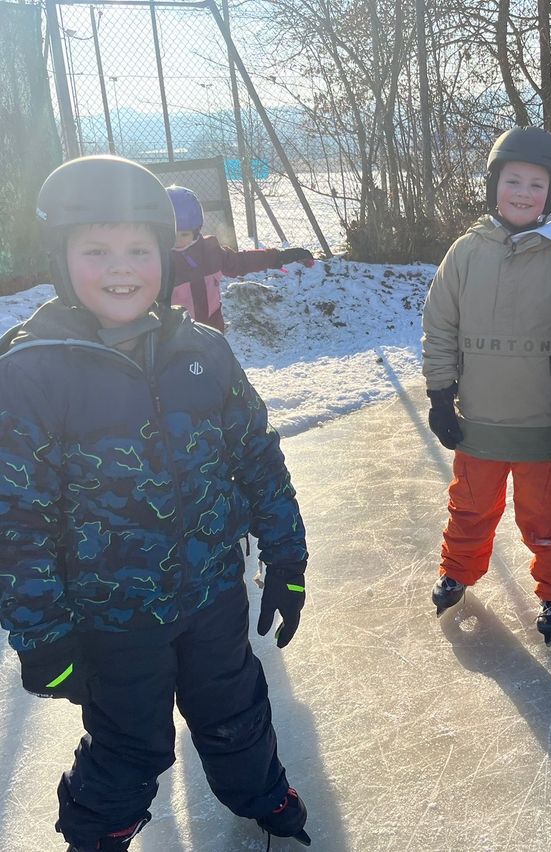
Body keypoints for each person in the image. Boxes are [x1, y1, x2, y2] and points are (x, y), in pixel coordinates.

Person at [0, 155, 312, 851]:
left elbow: (256, 456)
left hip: (211, 594)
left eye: (139, 248)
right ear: (61, 257)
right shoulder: (29, 372)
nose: (121, 267)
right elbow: (14, 522)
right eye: (97, 250)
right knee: (130, 743)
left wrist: (286, 554)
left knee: (236, 710)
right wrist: (41, 633)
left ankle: (263, 793)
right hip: (112, 618)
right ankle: (98, 830)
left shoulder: (204, 351)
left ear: (165, 258)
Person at [421, 126, 551, 645]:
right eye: (513, 180)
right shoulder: (466, 252)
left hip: (543, 422)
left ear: (550, 194)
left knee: (548, 518)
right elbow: (440, 322)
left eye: (536, 184)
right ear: (494, 184)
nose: (523, 193)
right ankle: (457, 571)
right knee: (469, 507)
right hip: (480, 418)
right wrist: (438, 392)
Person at [166, 184, 314, 332]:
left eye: (184, 234)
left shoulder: (210, 251)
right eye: (171, 235)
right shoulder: (160, 261)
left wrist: (278, 257)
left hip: (212, 333)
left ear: (196, 230)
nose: (177, 241)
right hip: (176, 337)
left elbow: (241, 262)